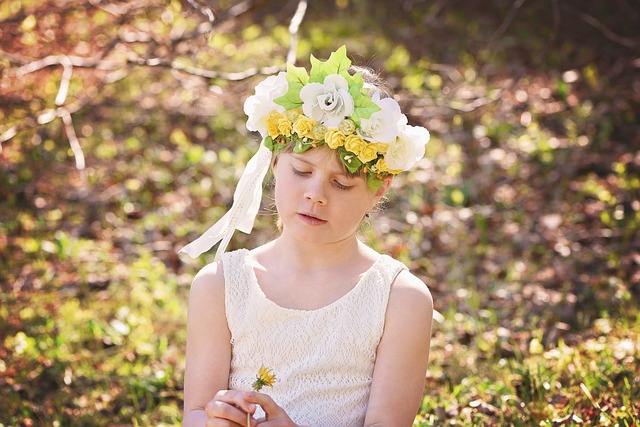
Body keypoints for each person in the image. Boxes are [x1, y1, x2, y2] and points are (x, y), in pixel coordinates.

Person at [180, 46, 434, 427]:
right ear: (274, 163)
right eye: (301, 170)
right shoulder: (221, 285)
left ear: (379, 188)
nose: (316, 194)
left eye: (342, 183)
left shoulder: (399, 300)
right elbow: (196, 414)